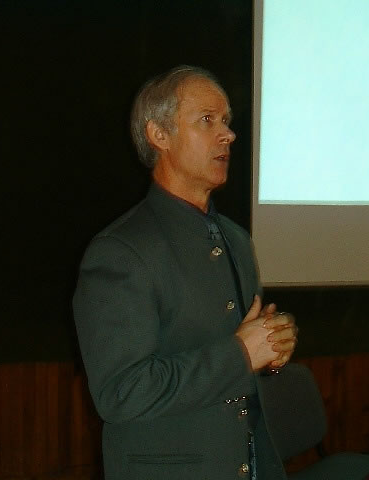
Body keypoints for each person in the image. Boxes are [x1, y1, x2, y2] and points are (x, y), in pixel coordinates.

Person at [73, 65, 298, 480]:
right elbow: (121, 393)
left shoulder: (235, 238)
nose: (228, 134)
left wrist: (270, 350)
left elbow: (236, 363)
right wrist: (241, 354)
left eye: (226, 120)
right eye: (207, 120)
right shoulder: (119, 252)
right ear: (159, 135)